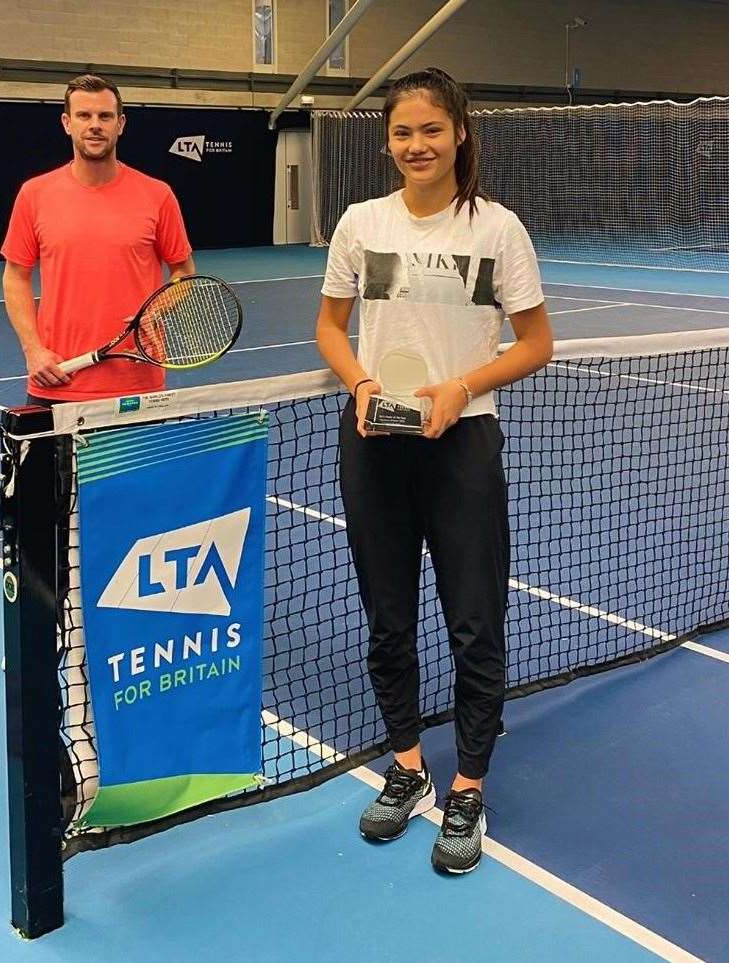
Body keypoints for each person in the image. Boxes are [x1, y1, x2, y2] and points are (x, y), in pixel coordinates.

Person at [315, 68, 552, 874]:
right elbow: (330, 327)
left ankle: (467, 782)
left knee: (474, 622)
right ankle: (407, 765)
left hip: (462, 448)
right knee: (387, 619)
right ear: (388, 142)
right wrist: (359, 382)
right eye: (402, 133)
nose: (416, 145)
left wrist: (461, 386)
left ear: (458, 134)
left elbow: (532, 342)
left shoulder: (496, 229)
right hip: (373, 444)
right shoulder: (359, 223)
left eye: (430, 130)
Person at [1, 74, 195, 405]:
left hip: (137, 384)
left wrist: (155, 311)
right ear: (67, 123)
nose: (95, 125)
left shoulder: (158, 195)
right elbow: (15, 278)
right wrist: (33, 350)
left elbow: (184, 273)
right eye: (84, 116)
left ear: (120, 124)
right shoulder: (34, 194)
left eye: (105, 116)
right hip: (57, 379)